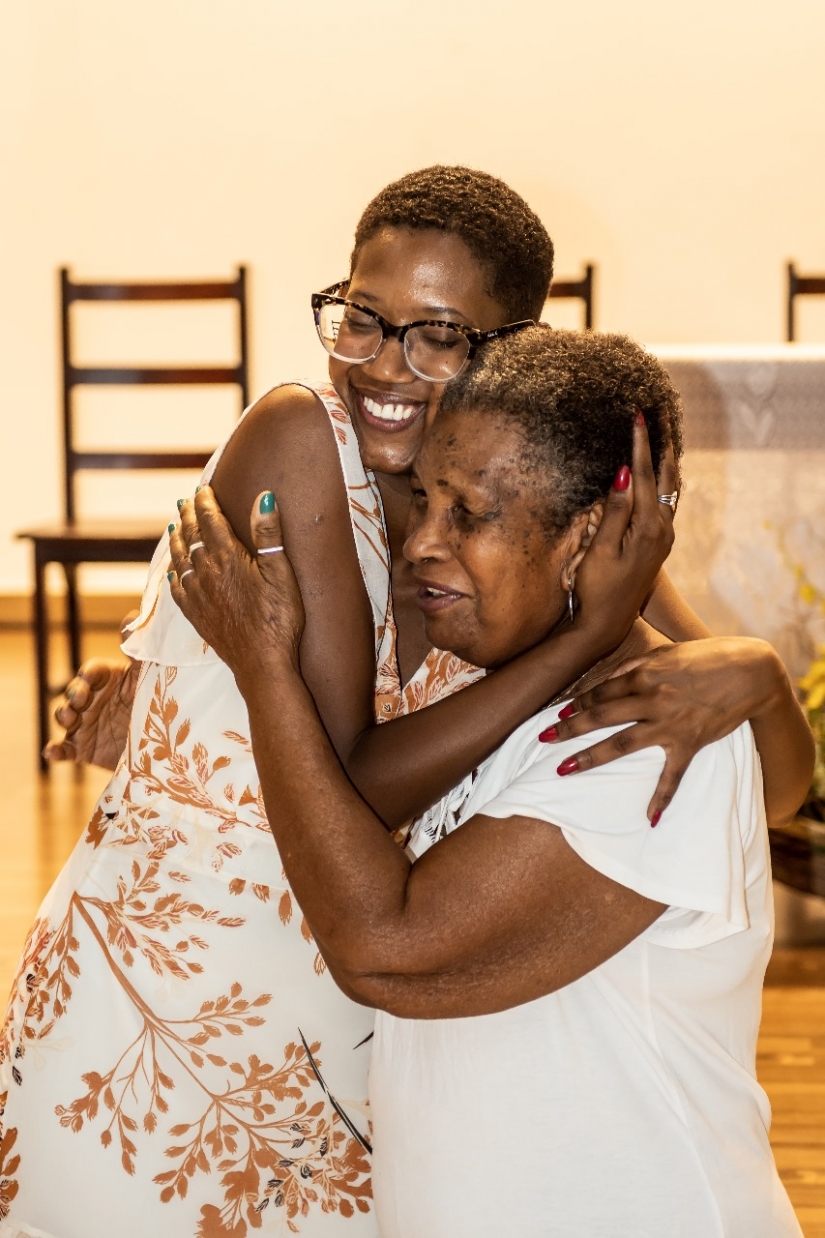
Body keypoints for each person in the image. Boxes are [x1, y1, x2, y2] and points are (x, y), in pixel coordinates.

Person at [0, 168, 810, 1238]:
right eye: (366, 320)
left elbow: (776, 781)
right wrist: (576, 637)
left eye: (438, 335)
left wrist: (750, 669)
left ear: (509, 348)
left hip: (347, 1043)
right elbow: (349, 769)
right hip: (174, 1004)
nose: (387, 365)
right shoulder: (304, 437)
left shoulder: (507, 497)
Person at [168, 326, 805, 1237]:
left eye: (468, 513)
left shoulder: (653, 735)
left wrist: (264, 665)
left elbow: (381, 948)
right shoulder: (503, 690)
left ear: (598, 531)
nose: (420, 542)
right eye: (423, 498)